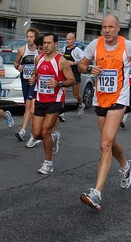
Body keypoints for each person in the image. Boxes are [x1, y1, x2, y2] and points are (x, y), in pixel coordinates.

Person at [78, 15, 131, 210]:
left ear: (118, 29)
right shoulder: (95, 44)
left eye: (110, 27)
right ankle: (125, 166)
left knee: (105, 143)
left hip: (120, 97)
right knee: (109, 140)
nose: (107, 30)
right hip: (101, 98)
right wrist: (90, 68)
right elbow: (81, 65)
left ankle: (97, 193)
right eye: (104, 27)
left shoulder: (128, 45)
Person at [29, 33, 75, 174]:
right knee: (36, 134)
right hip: (40, 99)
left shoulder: (61, 61)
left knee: (45, 131)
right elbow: (36, 73)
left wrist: (58, 83)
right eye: (44, 43)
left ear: (55, 44)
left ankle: (48, 163)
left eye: (49, 43)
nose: (46, 46)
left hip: (55, 100)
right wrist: (33, 79)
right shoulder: (39, 58)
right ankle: (53, 137)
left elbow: (72, 80)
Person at [14, 28, 39, 142]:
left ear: (36, 38)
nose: (29, 39)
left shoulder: (40, 50)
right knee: (28, 107)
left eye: (31, 37)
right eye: (27, 36)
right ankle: (36, 132)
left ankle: (23, 131)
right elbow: (16, 63)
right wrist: (18, 67)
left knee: (29, 105)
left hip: (36, 81)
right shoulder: (22, 50)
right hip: (25, 80)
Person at [62, 33, 86, 117]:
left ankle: (81, 104)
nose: (68, 41)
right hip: (66, 74)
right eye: (67, 39)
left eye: (70, 39)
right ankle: (61, 113)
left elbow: (85, 59)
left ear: (74, 40)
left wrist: (73, 63)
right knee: (62, 92)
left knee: (76, 94)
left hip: (75, 73)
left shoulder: (77, 50)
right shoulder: (64, 48)